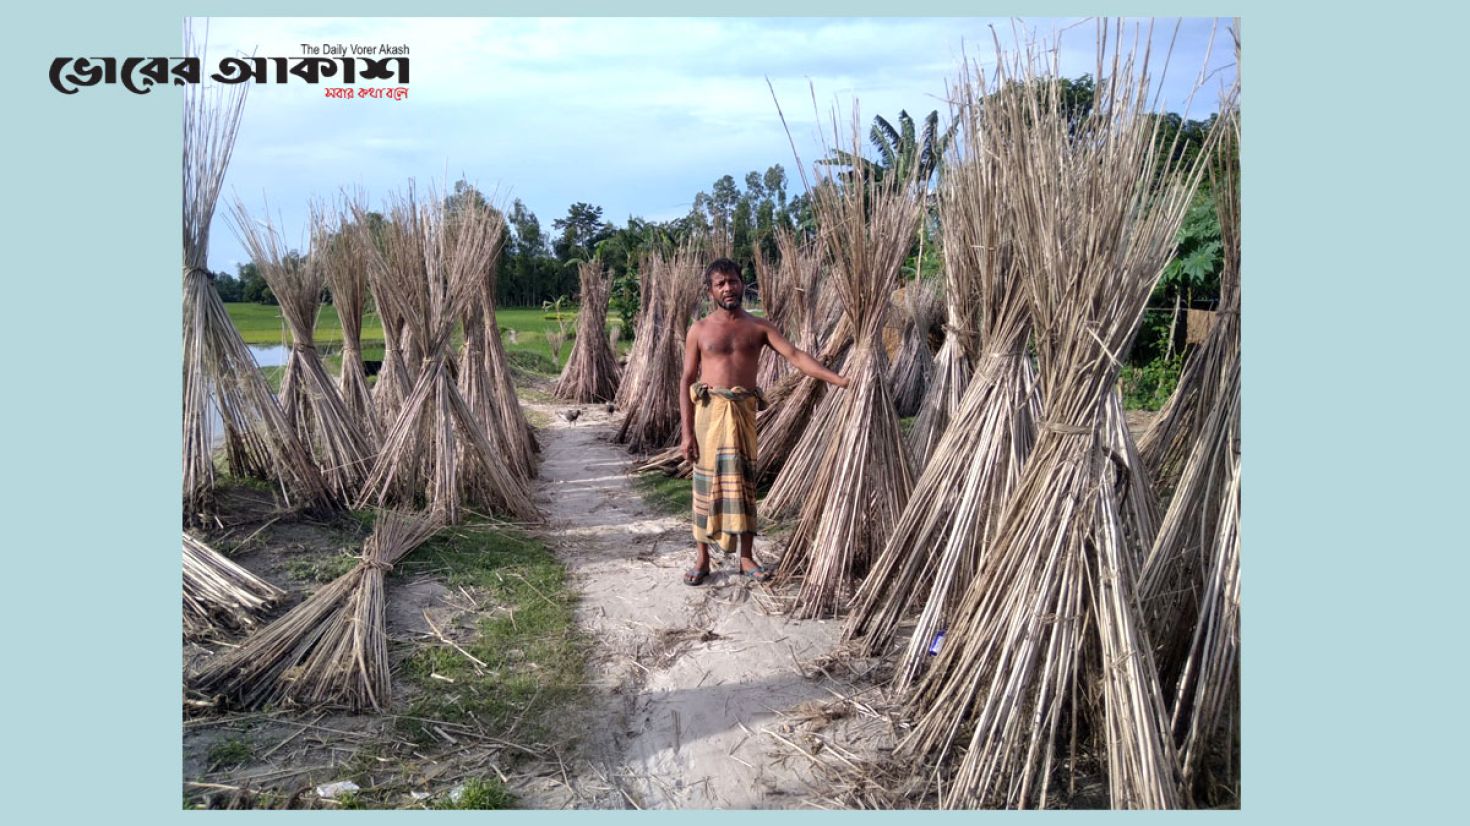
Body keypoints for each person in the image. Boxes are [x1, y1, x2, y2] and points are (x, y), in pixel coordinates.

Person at [679, 257, 849, 585]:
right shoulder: (699, 330)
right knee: (704, 485)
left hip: (741, 415)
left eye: (733, 281)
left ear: (743, 284)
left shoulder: (759, 327)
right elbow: (686, 380)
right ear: (710, 291)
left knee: (744, 485)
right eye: (721, 283)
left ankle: (745, 557)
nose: (728, 288)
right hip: (709, 417)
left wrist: (838, 380)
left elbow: (797, 357)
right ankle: (702, 558)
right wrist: (687, 433)